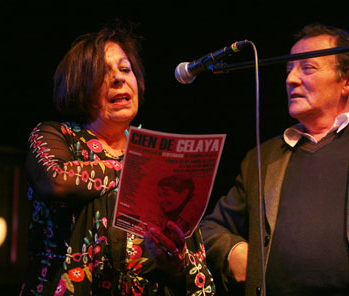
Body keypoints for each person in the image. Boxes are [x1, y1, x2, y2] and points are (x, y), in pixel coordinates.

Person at [200, 23, 349, 296]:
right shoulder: (262, 158)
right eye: (289, 70)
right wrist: (232, 251)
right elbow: (209, 227)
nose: (291, 79)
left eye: (307, 68)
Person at [21, 21, 215, 296]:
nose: (118, 78)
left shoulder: (159, 155)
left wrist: (175, 264)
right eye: (103, 72)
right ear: (78, 84)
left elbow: (194, 269)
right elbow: (56, 182)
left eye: (126, 69)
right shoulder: (57, 135)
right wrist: (136, 169)